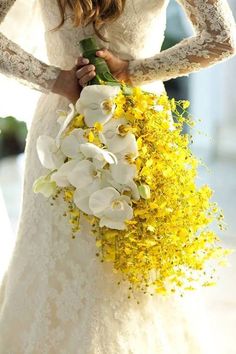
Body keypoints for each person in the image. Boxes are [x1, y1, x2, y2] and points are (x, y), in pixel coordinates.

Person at [0, 0, 235, 353]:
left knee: (110, 257)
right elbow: (221, 38)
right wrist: (132, 71)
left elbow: (222, 39)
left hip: (70, 117)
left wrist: (58, 79)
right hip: (133, 118)